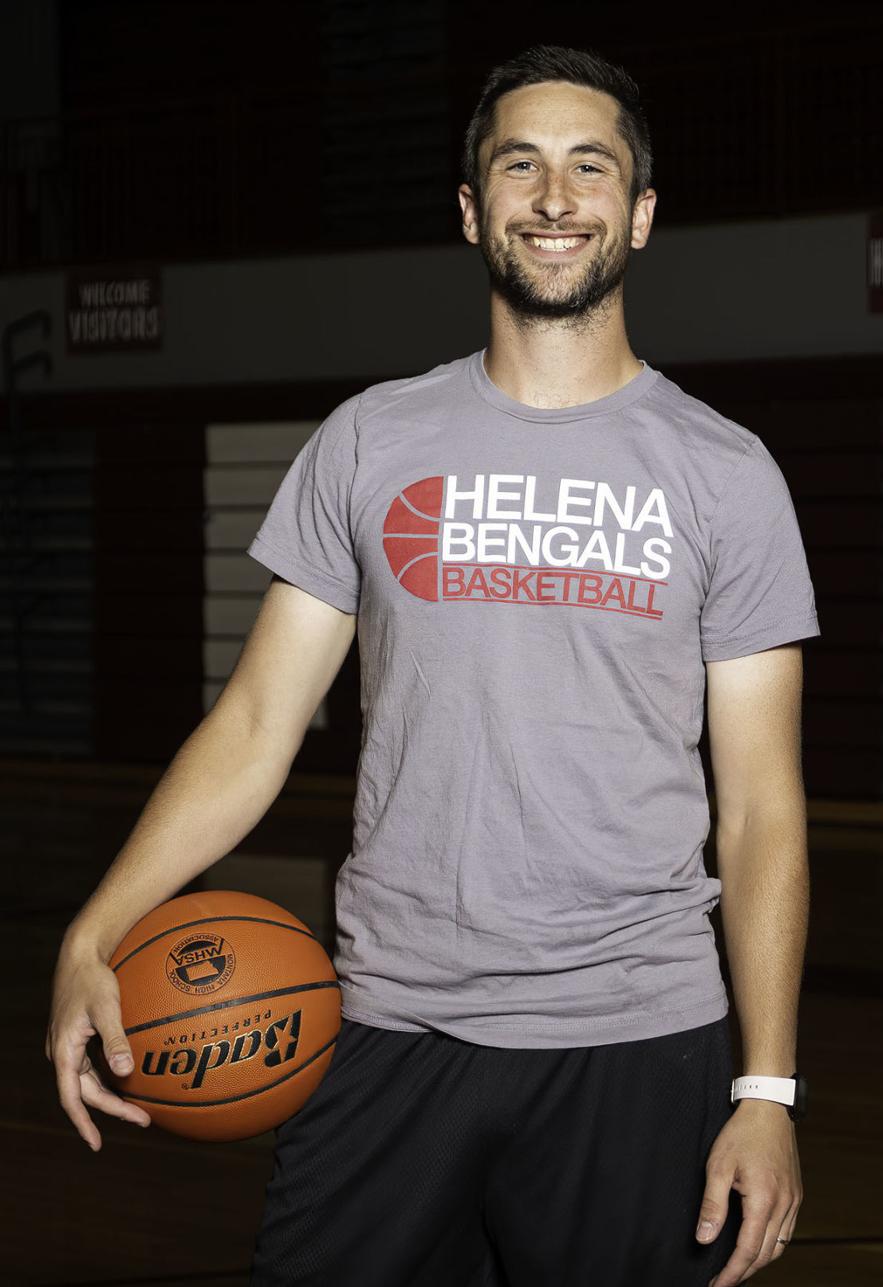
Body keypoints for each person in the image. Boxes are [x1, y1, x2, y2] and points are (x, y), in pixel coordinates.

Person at [46, 43, 817, 1287]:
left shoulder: (725, 473)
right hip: (391, 1024)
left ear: (641, 212)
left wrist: (766, 1087)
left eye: (590, 167)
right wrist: (101, 924)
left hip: (638, 1039)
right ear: (472, 212)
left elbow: (762, 807)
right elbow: (254, 726)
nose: (555, 198)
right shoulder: (371, 440)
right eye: (520, 167)